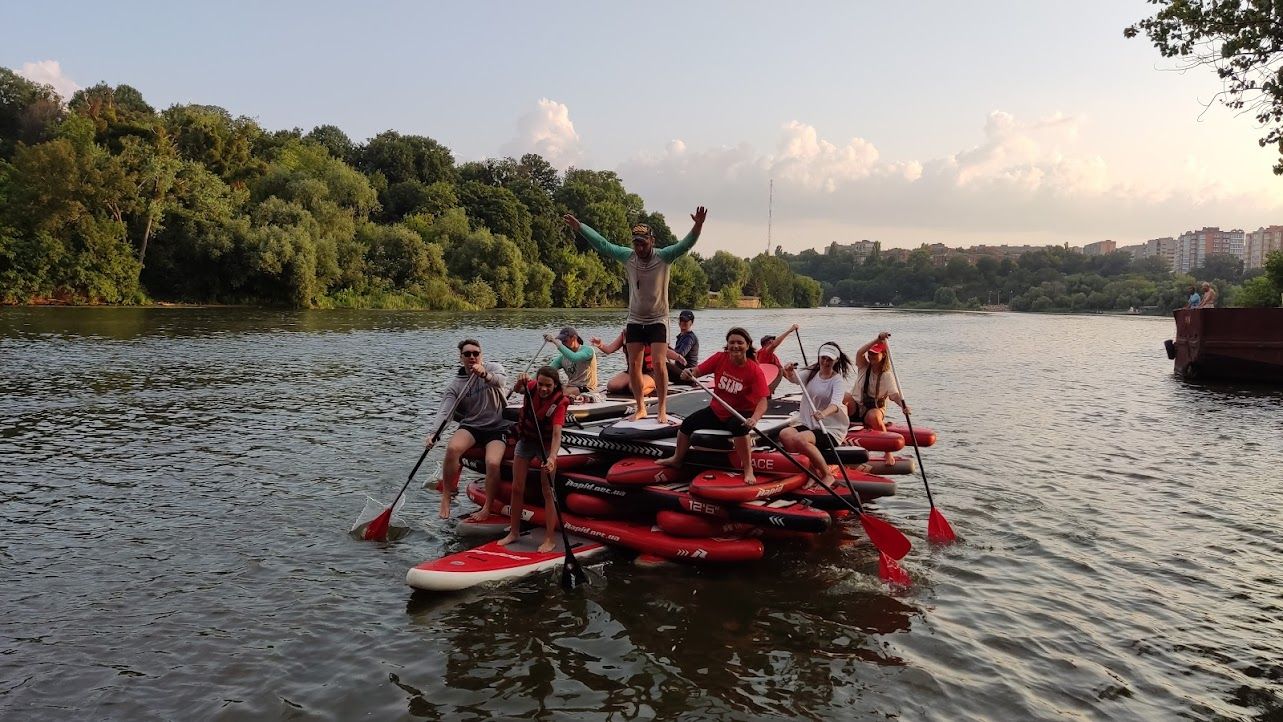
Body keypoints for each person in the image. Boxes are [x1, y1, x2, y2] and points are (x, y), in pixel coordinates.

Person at [564, 207, 707, 423]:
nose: (639, 247)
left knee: (659, 364)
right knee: (634, 365)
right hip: (635, 320)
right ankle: (640, 408)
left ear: (652, 240)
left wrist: (698, 225)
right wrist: (580, 227)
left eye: (643, 242)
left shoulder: (664, 256)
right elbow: (604, 245)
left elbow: (686, 244)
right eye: (636, 243)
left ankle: (661, 409)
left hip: (658, 319)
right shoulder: (628, 256)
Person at [657, 327, 769, 483]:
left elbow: (763, 400)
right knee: (688, 424)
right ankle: (677, 458)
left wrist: (755, 419)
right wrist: (689, 373)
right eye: (731, 342)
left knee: (740, 427)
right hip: (717, 410)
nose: (735, 346)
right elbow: (698, 371)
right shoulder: (720, 358)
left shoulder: (754, 371)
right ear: (727, 345)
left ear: (748, 345)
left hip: (741, 412)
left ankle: (748, 469)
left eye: (739, 343)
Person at [431, 339, 509, 520]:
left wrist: (485, 375)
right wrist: (434, 434)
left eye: (476, 353)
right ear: (461, 358)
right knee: (452, 449)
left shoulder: (494, 367)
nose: (472, 357)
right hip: (472, 425)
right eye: (467, 354)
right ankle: (446, 496)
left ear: (481, 355)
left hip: (497, 426)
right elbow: (445, 411)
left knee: (492, 462)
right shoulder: (456, 384)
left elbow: (501, 381)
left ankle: (487, 507)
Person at [500, 367, 570, 553]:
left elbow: (556, 434)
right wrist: (520, 380)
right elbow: (516, 389)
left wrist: (553, 457)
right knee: (516, 487)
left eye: (548, 385)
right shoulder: (530, 387)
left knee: (548, 491)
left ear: (555, 385)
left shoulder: (560, 403)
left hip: (546, 446)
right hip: (526, 441)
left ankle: (549, 539)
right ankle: (514, 532)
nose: (543, 389)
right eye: (541, 384)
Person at [779, 342, 853, 488]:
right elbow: (794, 379)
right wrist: (787, 371)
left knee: (800, 439)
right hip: (810, 423)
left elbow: (835, 405)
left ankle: (827, 475)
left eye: (829, 360)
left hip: (830, 428)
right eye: (823, 358)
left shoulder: (836, 380)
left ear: (836, 361)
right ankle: (812, 471)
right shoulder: (812, 371)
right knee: (785, 434)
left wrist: (823, 413)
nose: (825, 362)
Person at [843, 332, 910, 466]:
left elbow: (894, 395)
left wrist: (903, 406)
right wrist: (877, 340)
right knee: (844, 397)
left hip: (874, 408)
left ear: (883, 355)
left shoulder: (886, 375)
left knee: (874, 416)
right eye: (870, 353)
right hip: (856, 406)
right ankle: (838, 432)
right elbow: (860, 352)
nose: (871, 356)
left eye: (875, 354)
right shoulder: (863, 366)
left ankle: (888, 452)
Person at [546, 326, 601, 402]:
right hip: (572, 387)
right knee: (548, 389)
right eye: (561, 341)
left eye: (565, 340)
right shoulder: (562, 358)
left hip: (587, 388)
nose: (563, 343)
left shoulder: (588, 350)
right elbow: (546, 371)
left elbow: (574, 358)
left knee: (558, 394)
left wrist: (555, 342)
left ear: (574, 338)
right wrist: (528, 379)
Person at [667, 310, 700, 385]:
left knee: (663, 365)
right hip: (681, 372)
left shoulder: (689, 338)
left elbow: (680, 355)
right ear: (679, 322)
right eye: (681, 320)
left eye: (686, 321)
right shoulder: (682, 336)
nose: (683, 323)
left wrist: (665, 350)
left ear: (691, 323)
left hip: (688, 375)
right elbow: (675, 353)